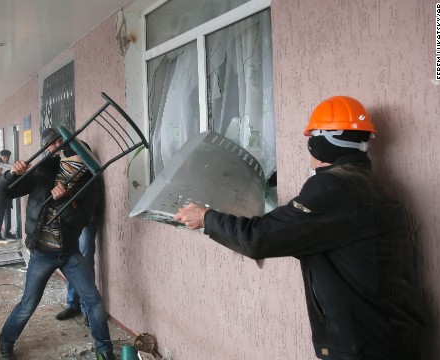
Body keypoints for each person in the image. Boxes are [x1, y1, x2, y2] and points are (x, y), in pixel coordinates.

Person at [174, 96, 424, 359]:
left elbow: (260, 238)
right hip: (389, 335)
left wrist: (207, 218)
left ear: (319, 142)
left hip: (364, 346)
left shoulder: (334, 187)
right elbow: (306, 235)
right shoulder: (371, 185)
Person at [0, 128, 115, 360]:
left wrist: (64, 201)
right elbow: (5, 193)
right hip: (42, 252)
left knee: (94, 301)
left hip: (69, 251)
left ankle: (105, 350)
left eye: (79, 162)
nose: (73, 164)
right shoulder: (44, 170)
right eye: (55, 144)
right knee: (28, 304)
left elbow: (82, 220)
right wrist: (10, 175)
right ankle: (5, 342)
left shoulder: (88, 181)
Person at [55, 144, 104, 327]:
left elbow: (89, 200)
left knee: (84, 260)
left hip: (85, 221)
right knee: (72, 260)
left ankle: (87, 309)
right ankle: (73, 303)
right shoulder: (65, 169)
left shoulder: (88, 170)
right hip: (70, 221)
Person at [0, 149, 17, 240]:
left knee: (8, 213)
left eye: (7, 157)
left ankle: (7, 232)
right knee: (0, 214)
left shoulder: (9, 166)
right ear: (0, 156)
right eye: (4, 157)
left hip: (7, 193)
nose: (6, 159)